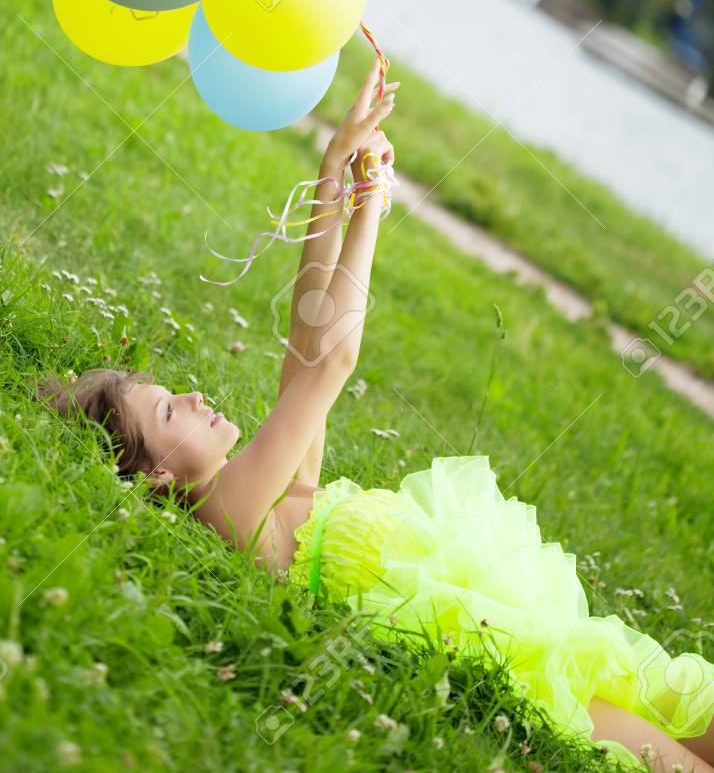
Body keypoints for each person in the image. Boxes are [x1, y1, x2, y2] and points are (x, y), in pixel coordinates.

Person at [42, 61, 714, 771]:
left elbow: (306, 339)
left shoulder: (262, 490)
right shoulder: (233, 511)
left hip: (508, 608)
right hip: (492, 636)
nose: (196, 398)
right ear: (155, 478)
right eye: (170, 411)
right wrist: (369, 210)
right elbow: (332, 362)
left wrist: (335, 168)